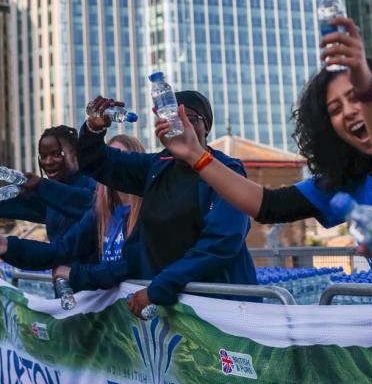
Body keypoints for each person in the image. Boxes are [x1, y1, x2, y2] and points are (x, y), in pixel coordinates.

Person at [155, 17, 372, 294]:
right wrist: (197, 156)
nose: (352, 112)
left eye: (357, 96)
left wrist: (366, 85)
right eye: (335, 109)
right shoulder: (350, 183)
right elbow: (269, 206)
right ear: (330, 131)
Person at [81, 91, 255, 316]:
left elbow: (222, 242)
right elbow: (96, 162)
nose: (181, 125)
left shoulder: (227, 169)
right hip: (172, 309)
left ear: (206, 127)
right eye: (171, 117)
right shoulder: (156, 166)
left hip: (223, 309)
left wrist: (159, 287)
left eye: (190, 119)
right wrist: (94, 128)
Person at [0, 135, 144, 291]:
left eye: (122, 156)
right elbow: (61, 250)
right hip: (109, 310)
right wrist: (7, 246)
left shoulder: (150, 211)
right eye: (109, 158)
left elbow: (127, 267)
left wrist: (75, 274)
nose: (114, 163)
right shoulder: (100, 212)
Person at [0, 126, 96, 242]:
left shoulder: (95, 183)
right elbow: (13, 204)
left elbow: (86, 202)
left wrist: (41, 185)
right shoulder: (47, 196)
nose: (48, 162)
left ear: (74, 154)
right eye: (43, 156)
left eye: (56, 154)